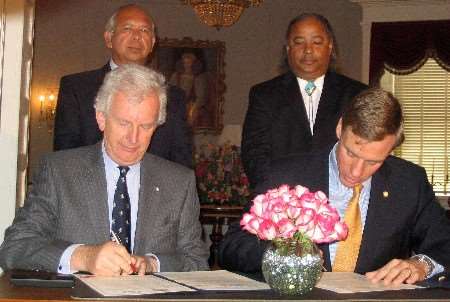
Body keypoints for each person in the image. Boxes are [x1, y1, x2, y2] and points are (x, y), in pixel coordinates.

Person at [219, 87, 450, 285]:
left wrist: (422, 265)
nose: (356, 171)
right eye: (350, 153)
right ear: (340, 128)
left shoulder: (409, 182)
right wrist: (280, 254)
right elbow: (232, 247)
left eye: (373, 161)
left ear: (391, 150)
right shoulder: (286, 175)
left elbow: (444, 244)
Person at [0, 64, 209, 275]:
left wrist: (153, 264)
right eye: (124, 123)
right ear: (101, 118)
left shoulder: (179, 182)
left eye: (145, 126)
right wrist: (83, 257)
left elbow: (197, 261)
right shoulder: (59, 172)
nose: (133, 138)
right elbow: (15, 248)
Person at [53, 4, 193, 168]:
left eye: (144, 31)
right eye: (127, 29)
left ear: (153, 42)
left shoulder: (174, 97)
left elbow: (181, 160)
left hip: (154, 191)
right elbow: (65, 158)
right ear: (108, 39)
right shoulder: (77, 88)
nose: (136, 37)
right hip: (90, 189)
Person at [241, 13, 367, 189]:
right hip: (280, 202)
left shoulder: (357, 94)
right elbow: (254, 155)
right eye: (299, 42)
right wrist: (281, 199)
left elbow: (364, 152)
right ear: (288, 48)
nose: (308, 50)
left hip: (340, 202)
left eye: (317, 42)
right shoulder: (264, 95)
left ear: (330, 47)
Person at [169, 52, 208, 126]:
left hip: (191, 106)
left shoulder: (198, 78)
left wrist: (193, 108)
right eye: (185, 63)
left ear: (194, 64)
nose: (187, 65)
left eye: (189, 63)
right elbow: (170, 91)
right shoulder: (175, 76)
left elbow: (201, 97)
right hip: (176, 106)